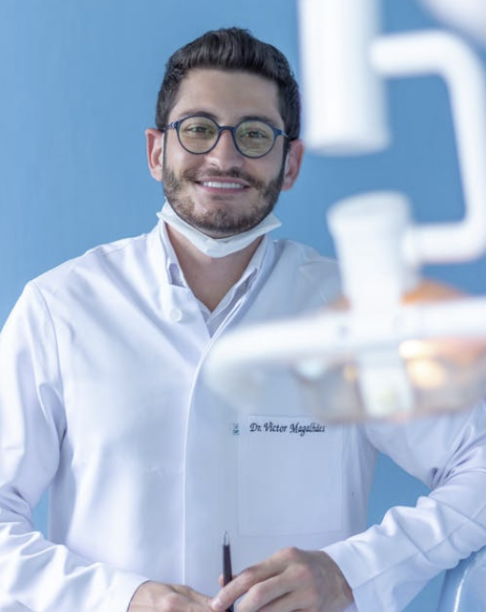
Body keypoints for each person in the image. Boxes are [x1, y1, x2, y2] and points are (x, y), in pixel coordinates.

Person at [0, 26, 485, 612]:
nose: (224, 157)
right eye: (198, 129)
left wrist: (353, 573)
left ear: (291, 163)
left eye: (254, 134)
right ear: (157, 152)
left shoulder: (357, 313)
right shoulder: (59, 310)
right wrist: (120, 599)